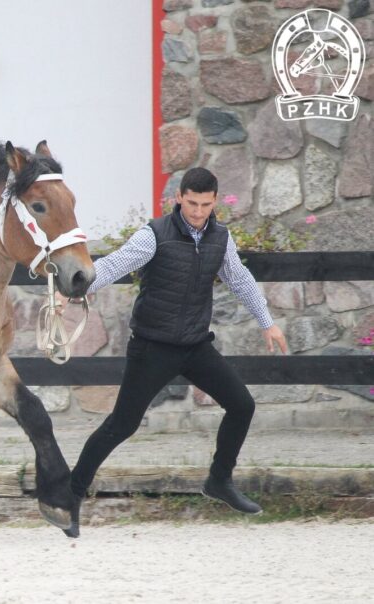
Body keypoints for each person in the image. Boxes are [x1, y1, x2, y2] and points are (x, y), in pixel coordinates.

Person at [66, 167, 288, 537]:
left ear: (215, 201)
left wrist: (267, 321)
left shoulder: (220, 238)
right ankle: (70, 494)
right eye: (192, 203)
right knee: (122, 425)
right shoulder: (155, 235)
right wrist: (75, 288)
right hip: (153, 346)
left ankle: (219, 481)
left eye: (206, 204)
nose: (199, 211)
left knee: (242, 405)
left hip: (195, 345)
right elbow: (113, 264)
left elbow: (240, 279)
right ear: (179, 198)